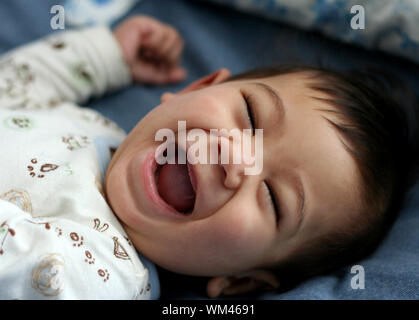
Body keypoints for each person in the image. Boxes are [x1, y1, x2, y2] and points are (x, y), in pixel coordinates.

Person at [1, 15, 418, 299]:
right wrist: (102, 57)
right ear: (194, 88)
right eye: (251, 116)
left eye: (273, 198)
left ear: (239, 282)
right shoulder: (93, 128)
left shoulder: (104, 274)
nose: (236, 160)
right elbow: (17, 90)